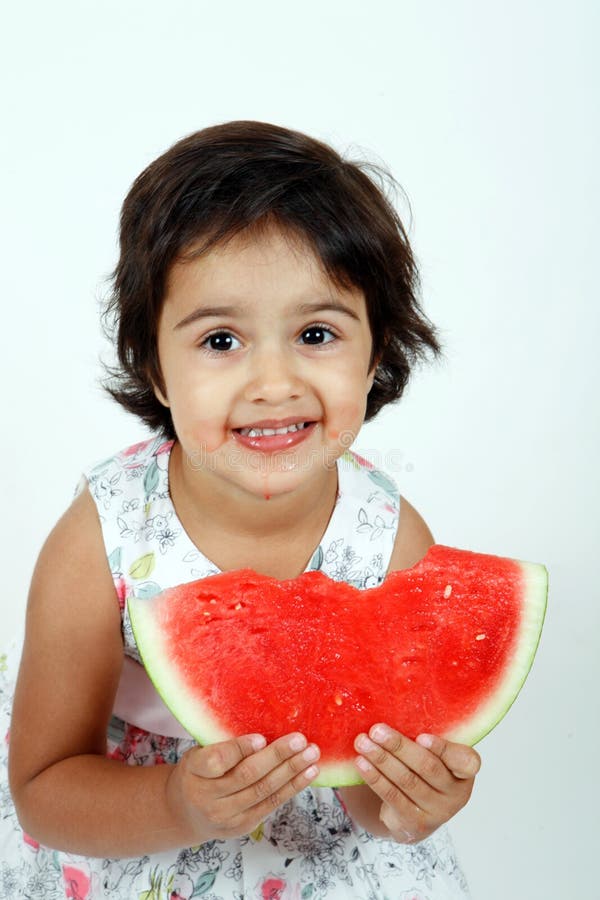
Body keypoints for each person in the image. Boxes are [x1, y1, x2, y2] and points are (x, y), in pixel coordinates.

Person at [0, 121, 481, 899]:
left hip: (323, 862)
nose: (273, 383)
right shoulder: (104, 536)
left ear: (377, 352)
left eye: (316, 333)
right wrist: (177, 803)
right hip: (142, 842)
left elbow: (364, 784)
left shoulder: (388, 540)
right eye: (221, 340)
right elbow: (46, 786)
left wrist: (405, 803)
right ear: (155, 368)